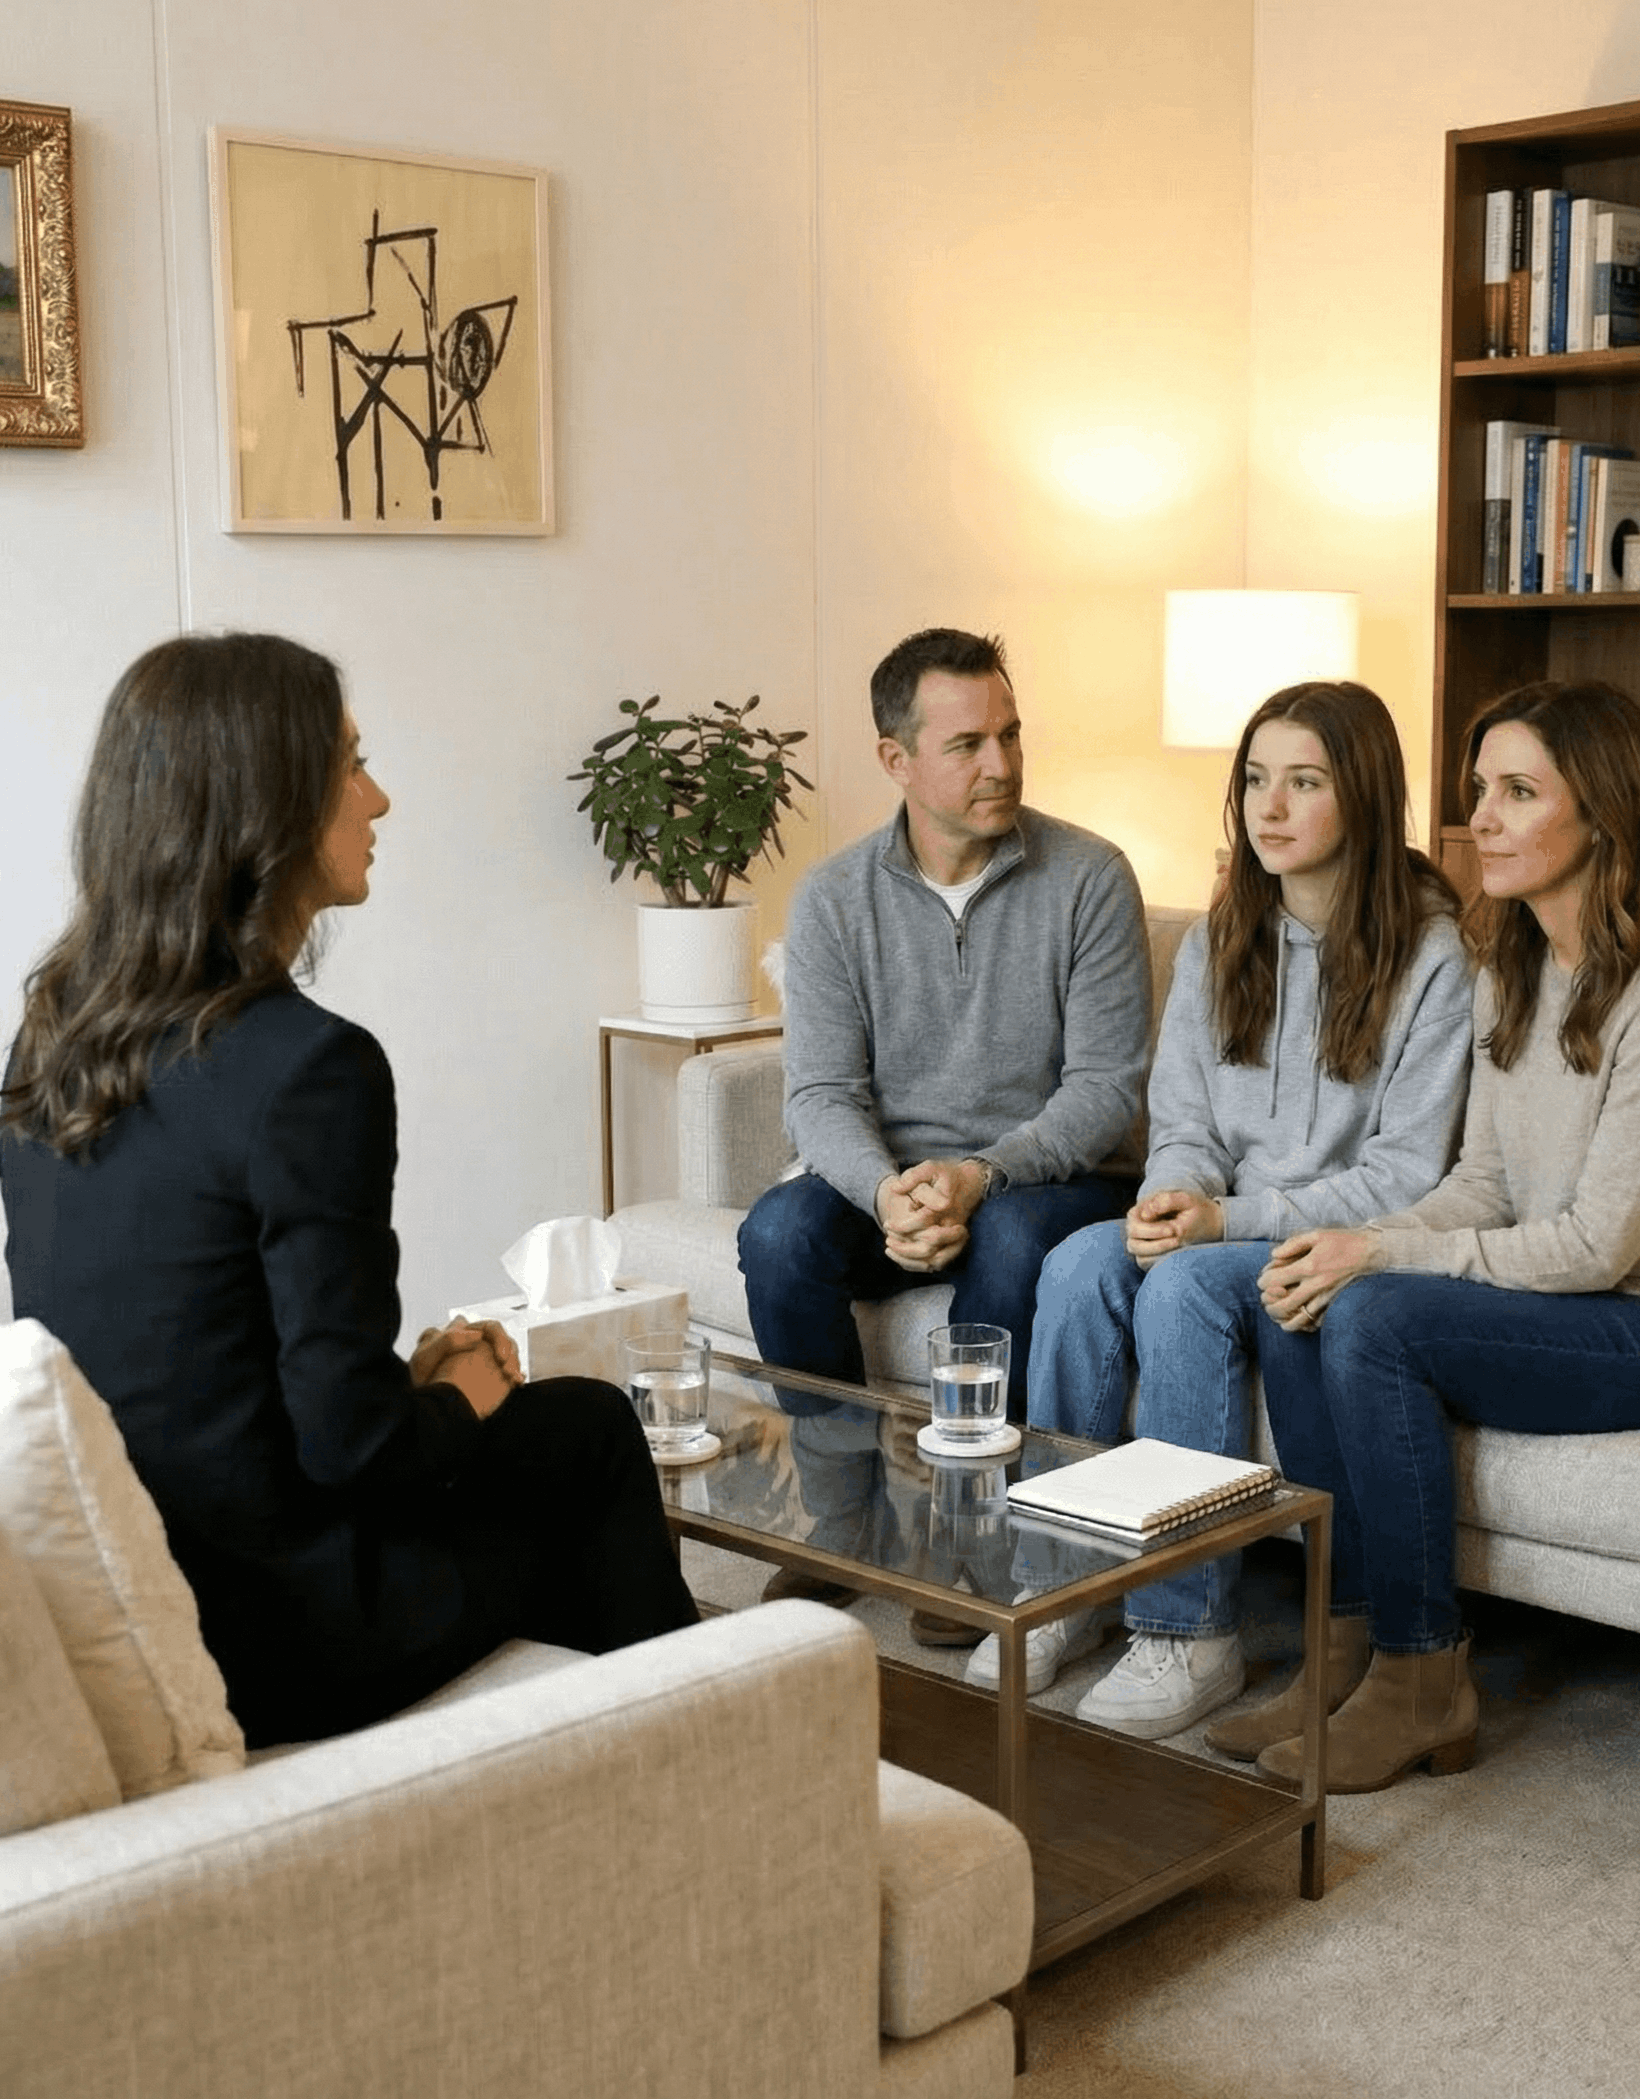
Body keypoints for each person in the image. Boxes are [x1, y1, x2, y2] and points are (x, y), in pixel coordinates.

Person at [0, 633, 698, 1748]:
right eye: (348, 767)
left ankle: (618, 1754)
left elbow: (190, 1354)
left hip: (170, 1573)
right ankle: (709, 1744)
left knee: (546, 1443)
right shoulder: (307, 1066)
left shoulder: (53, 1039)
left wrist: (401, 1392)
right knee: (586, 1426)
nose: (378, 799)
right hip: (287, 1630)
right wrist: (464, 1390)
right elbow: (352, 1454)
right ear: (266, 808)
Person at [1246, 678, 1640, 1793]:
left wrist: (1381, 1257)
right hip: (1594, 1308)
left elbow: (1595, 1247)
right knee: (1310, 1294)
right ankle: (1344, 1638)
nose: (1478, 818)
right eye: (1477, 790)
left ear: (1602, 813)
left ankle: (1421, 1675)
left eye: (1516, 792)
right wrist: (1348, 1240)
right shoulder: (1516, 966)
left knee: (1379, 1317)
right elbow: (1484, 1186)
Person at [1003, 681, 1475, 1730]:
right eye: (1257, 779)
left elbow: (1406, 1172)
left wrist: (1222, 1223)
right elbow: (1182, 1117)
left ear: (1360, 794)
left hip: (1324, 1237)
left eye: (1303, 782)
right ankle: (1063, 1582)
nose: (1271, 806)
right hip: (1218, 1215)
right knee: (1076, 1266)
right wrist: (1174, 1188)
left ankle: (1188, 1632)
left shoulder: (1433, 958)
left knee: (1182, 1291)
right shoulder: (1226, 935)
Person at [737, 626, 1152, 1427]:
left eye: (1010, 734)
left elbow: (1105, 1089)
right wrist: (886, 1193)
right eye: (967, 745)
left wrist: (980, 1175)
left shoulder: (1090, 877)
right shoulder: (832, 898)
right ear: (896, 760)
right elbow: (821, 1094)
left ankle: (976, 1517)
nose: (1001, 764)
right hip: (894, 1187)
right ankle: (847, 1515)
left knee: (1009, 1241)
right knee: (779, 1236)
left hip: (1047, 1183)